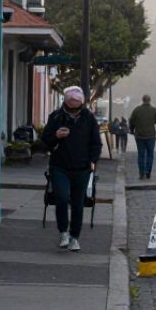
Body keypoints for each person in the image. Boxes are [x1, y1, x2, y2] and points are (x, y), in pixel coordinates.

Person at [40, 86, 102, 252]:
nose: (72, 104)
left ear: (81, 102)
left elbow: (96, 142)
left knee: (78, 203)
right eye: (70, 101)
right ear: (65, 101)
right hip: (59, 166)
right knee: (61, 197)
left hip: (82, 168)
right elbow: (45, 141)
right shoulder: (56, 117)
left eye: (76, 101)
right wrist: (56, 136)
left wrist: (93, 161)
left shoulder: (88, 118)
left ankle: (75, 237)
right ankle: (63, 232)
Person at [130, 95, 156, 180]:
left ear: (142, 100)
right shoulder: (154, 110)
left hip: (140, 136)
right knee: (150, 155)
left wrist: (132, 130)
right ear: (150, 100)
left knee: (141, 155)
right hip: (151, 136)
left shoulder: (136, 110)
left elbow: (131, 121)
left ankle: (141, 173)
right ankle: (148, 171)